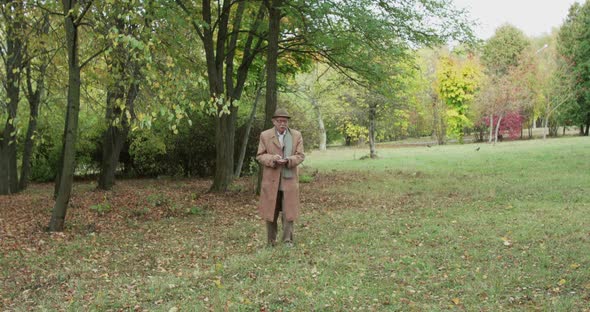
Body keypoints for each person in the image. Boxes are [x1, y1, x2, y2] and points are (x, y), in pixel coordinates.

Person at [256, 108, 305, 247]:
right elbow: (260, 155)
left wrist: (289, 160)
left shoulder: (296, 135)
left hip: (289, 180)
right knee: (271, 210)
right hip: (271, 179)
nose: (282, 124)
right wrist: (273, 159)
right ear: (273, 121)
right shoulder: (265, 135)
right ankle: (271, 241)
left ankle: (287, 241)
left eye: (285, 121)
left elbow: (300, 155)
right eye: (279, 121)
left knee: (289, 211)